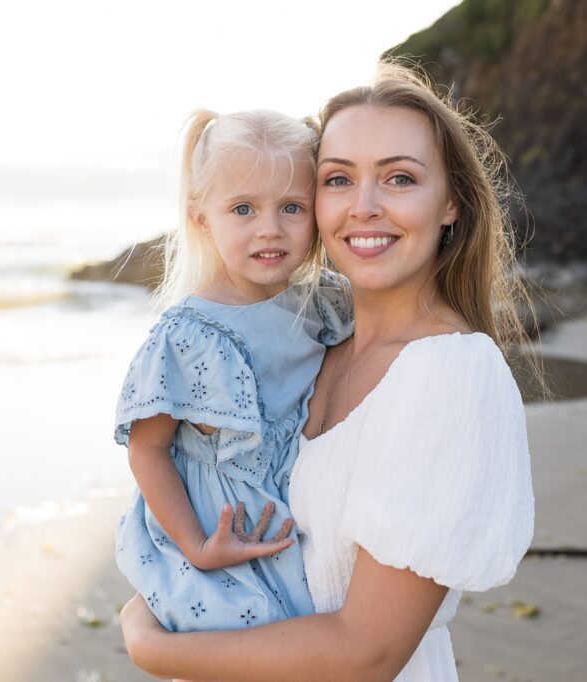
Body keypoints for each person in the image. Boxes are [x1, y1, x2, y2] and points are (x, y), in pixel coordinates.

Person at [120, 62, 535, 681]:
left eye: (399, 178)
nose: (363, 208)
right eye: (339, 179)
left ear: (450, 203)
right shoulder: (319, 340)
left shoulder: (451, 373)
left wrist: (152, 646)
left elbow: (366, 654)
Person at [114, 108, 353, 635]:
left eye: (292, 207)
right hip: (218, 533)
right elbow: (146, 448)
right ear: (203, 219)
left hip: (297, 521)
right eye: (243, 208)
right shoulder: (189, 333)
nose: (270, 229)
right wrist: (197, 546)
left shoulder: (324, 302)